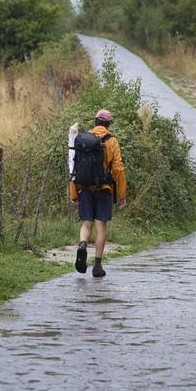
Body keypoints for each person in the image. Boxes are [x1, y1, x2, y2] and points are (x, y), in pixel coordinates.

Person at [70, 109, 127, 277]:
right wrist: (122, 195)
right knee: (101, 226)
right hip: (104, 189)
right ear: (108, 124)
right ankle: (97, 266)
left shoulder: (84, 139)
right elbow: (118, 169)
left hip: (85, 188)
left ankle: (82, 244)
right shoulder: (112, 141)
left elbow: (74, 166)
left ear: (95, 122)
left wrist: (74, 192)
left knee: (87, 223)